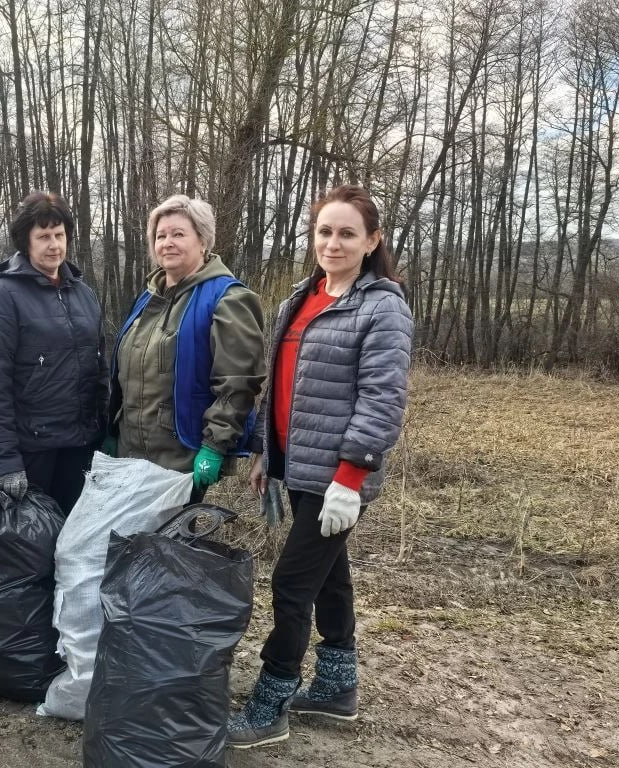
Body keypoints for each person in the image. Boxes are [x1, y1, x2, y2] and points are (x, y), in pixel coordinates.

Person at [227, 185, 413, 748]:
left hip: (338, 476)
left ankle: (273, 698)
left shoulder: (382, 307)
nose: (333, 243)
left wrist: (351, 479)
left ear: (372, 241)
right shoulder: (300, 299)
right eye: (325, 231)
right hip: (299, 466)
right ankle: (336, 686)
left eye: (347, 233)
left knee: (291, 582)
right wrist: (266, 453)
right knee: (330, 575)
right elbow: (281, 386)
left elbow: (382, 400)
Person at [106, 194, 265, 500]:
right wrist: (114, 431)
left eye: (178, 234)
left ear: (203, 241)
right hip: (130, 456)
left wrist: (215, 445)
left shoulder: (228, 299)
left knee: (169, 534)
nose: (167, 243)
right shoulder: (148, 298)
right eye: (160, 236)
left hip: (181, 460)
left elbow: (238, 384)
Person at [0, 191, 108, 515]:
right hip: (32, 452)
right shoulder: (4, 295)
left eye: (59, 235)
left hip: (80, 446)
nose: (54, 245)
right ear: (26, 241)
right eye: (44, 236)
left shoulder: (83, 293)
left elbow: (100, 368)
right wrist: (5, 462)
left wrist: (105, 433)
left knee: (75, 539)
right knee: (35, 543)